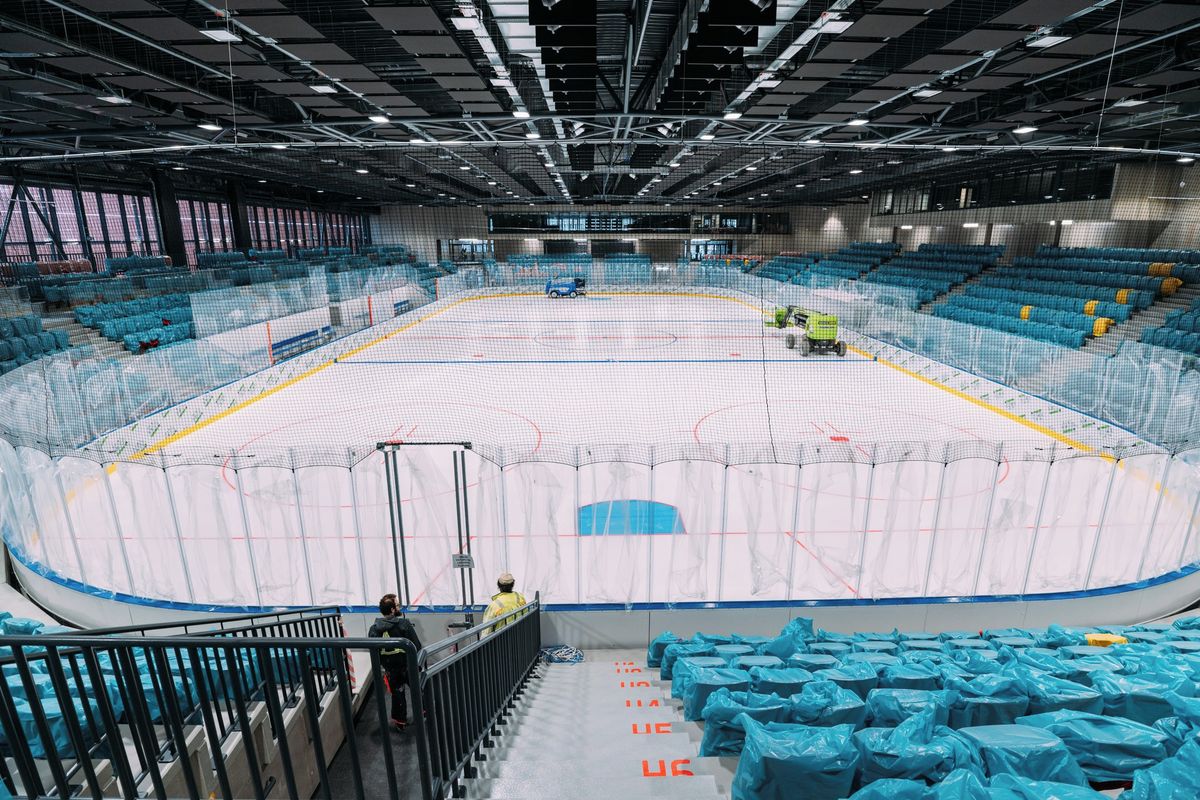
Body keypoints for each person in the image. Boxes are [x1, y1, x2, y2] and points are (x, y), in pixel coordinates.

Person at [368, 593, 422, 731]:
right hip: (407, 666)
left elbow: (374, 652)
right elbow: (416, 645)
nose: (399, 607)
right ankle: (423, 713)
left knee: (397, 695)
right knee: (419, 689)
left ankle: (400, 722)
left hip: (390, 669)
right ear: (392, 610)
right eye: (397, 605)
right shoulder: (404, 624)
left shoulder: (374, 630)